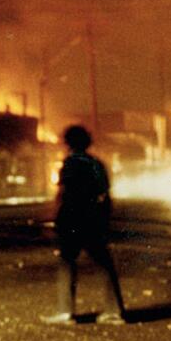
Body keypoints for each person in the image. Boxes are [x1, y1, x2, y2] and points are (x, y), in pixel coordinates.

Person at [44, 125, 125, 325]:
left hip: (72, 219)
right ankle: (114, 311)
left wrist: (58, 218)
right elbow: (105, 194)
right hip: (92, 219)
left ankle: (65, 312)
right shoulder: (96, 163)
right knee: (104, 264)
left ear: (68, 143)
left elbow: (64, 193)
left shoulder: (70, 163)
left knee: (67, 263)